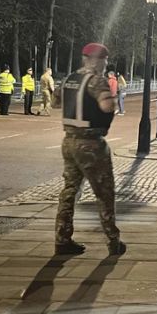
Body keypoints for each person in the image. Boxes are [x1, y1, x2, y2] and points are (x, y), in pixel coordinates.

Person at [55, 43, 126, 256]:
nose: (105, 65)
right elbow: (106, 106)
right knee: (104, 193)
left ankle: (62, 238)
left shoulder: (69, 79)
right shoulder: (96, 80)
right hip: (91, 144)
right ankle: (113, 240)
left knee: (70, 191)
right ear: (97, 59)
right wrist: (110, 101)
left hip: (69, 141)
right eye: (104, 60)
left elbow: (56, 101)